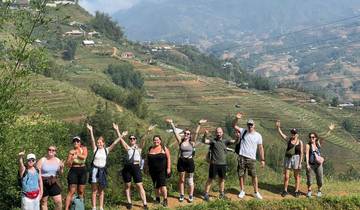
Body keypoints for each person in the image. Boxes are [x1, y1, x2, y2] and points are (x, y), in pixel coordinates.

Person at [113, 123, 156, 210]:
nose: (132, 139)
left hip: (136, 167)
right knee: (127, 185)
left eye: (133, 138)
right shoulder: (128, 148)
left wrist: (148, 131)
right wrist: (117, 130)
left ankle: (144, 204)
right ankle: (129, 202)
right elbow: (121, 140)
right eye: (131, 138)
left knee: (139, 185)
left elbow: (143, 140)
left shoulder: (139, 148)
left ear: (136, 140)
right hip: (127, 168)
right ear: (129, 140)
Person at [166, 118, 207, 203]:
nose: (186, 135)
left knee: (190, 180)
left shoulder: (192, 142)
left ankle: (191, 195)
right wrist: (172, 123)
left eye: (188, 134)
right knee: (181, 179)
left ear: (190, 135)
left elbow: (196, 133)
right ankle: (182, 195)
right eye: (185, 133)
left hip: (189, 162)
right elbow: (175, 132)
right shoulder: (180, 141)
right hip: (181, 161)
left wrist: (199, 124)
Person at [86, 123, 124, 210]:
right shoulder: (95, 149)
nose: (98, 143)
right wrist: (91, 131)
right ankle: (94, 207)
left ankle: (101, 207)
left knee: (101, 191)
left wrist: (121, 135)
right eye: (98, 142)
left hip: (102, 171)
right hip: (95, 170)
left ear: (103, 143)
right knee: (94, 190)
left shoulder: (106, 150)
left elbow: (114, 143)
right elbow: (92, 140)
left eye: (100, 142)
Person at [232, 112, 265, 199]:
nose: (250, 126)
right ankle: (242, 190)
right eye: (249, 124)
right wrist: (237, 118)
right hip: (242, 156)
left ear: (254, 125)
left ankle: (256, 192)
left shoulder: (258, 136)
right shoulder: (243, 131)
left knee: (254, 176)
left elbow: (261, 148)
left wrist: (262, 159)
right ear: (247, 125)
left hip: (251, 158)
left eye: (251, 124)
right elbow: (234, 125)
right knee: (241, 174)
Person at [202, 126, 238, 201]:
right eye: (217, 132)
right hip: (214, 164)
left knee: (222, 179)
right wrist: (205, 135)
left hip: (223, 164)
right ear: (215, 133)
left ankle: (221, 194)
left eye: (220, 132)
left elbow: (235, 142)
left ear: (222, 133)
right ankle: (206, 194)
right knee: (210, 179)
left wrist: (238, 137)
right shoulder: (213, 141)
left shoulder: (226, 141)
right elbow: (204, 141)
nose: (218, 134)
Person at [305, 123, 334, 198]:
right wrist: (307, 164)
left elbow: (324, 137)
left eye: (313, 137)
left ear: (315, 138)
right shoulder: (308, 145)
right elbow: (307, 154)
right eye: (310, 137)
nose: (311, 139)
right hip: (311, 164)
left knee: (320, 178)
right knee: (309, 179)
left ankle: (319, 191)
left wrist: (329, 130)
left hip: (318, 164)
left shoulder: (318, 144)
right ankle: (309, 191)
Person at [275, 120, 303, 197]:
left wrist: (300, 163)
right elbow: (281, 135)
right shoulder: (289, 139)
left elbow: (301, 153)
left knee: (296, 176)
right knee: (287, 176)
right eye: (292, 133)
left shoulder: (300, 142)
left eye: (294, 133)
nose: (293, 134)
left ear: (297, 134)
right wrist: (278, 128)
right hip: (288, 158)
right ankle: (285, 190)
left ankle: (296, 191)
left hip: (297, 158)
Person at [147, 135, 171, 207]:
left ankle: (165, 200)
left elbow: (168, 158)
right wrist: (146, 168)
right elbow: (147, 159)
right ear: (153, 141)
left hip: (162, 170)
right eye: (154, 140)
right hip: (152, 170)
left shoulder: (164, 148)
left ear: (160, 141)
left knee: (163, 185)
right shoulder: (150, 148)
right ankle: (157, 199)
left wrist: (168, 168)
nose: (156, 141)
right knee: (156, 185)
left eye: (157, 140)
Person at [36, 146, 64, 210]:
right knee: (43, 202)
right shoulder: (42, 160)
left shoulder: (58, 160)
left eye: (53, 150)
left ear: (55, 152)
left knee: (59, 202)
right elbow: (37, 172)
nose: (51, 151)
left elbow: (60, 173)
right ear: (47, 150)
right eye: (49, 149)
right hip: (43, 182)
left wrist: (62, 168)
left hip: (53, 182)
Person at [65, 136, 88, 210]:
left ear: (80, 142)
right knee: (71, 191)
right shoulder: (71, 152)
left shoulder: (84, 148)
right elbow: (68, 164)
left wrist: (76, 154)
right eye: (74, 141)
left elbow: (84, 157)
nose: (76, 142)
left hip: (83, 170)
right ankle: (66, 208)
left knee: (81, 191)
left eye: (77, 141)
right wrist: (71, 158)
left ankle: (80, 207)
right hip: (74, 170)